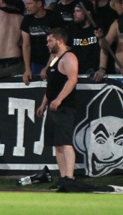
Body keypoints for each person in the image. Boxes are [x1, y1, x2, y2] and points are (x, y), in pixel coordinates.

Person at [37, 28, 78, 189]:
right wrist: (43, 104)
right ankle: (62, 176)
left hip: (64, 106)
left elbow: (72, 80)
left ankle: (70, 177)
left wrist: (59, 99)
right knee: (57, 143)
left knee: (65, 142)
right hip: (53, 106)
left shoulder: (69, 57)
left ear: (59, 41)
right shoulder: (54, 59)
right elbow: (51, 85)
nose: (47, 44)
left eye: (50, 41)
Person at [21, 0, 65, 84]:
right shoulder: (27, 19)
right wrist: (27, 69)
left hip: (54, 60)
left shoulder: (53, 17)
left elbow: (57, 45)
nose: (26, 7)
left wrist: (47, 67)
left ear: (39, 4)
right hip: (35, 62)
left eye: (29, 4)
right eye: (26, 4)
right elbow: (26, 45)